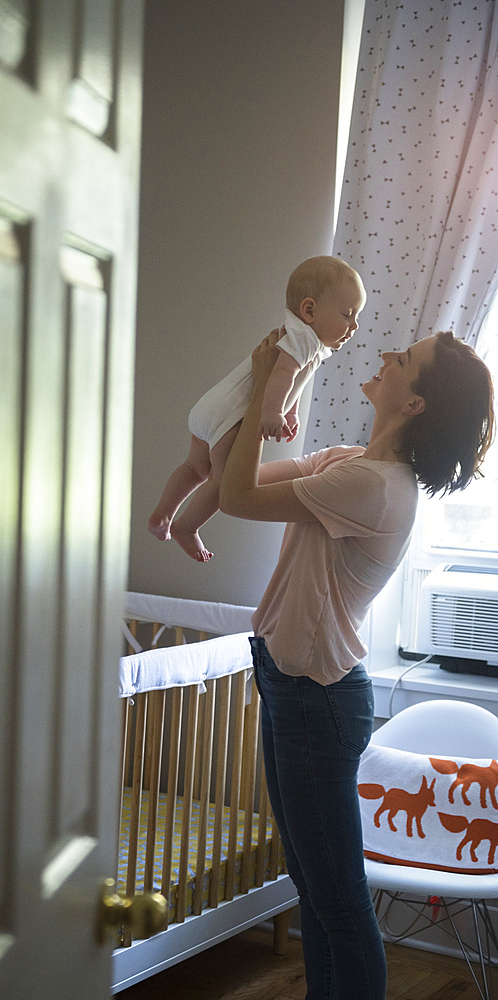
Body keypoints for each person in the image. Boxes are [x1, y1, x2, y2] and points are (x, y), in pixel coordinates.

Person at [219, 329, 494, 1000]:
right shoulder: (350, 464)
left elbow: (236, 497)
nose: (383, 359)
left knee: (336, 898)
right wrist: (262, 396)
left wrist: (264, 389)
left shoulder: (369, 485)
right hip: (294, 686)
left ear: (416, 403)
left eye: (402, 361)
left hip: (315, 698)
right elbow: (232, 473)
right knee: (313, 886)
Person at [148, 256, 366, 562]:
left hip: (211, 408)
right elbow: (281, 375)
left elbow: (293, 381)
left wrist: (290, 412)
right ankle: (187, 526)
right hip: (232, 417)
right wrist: (272, 413)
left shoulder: (305, 340)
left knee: (194, 467)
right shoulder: (304, 338)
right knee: (222, 481)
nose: (353, 326)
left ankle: (161, 515)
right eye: (347, 314)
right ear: (309, 310)